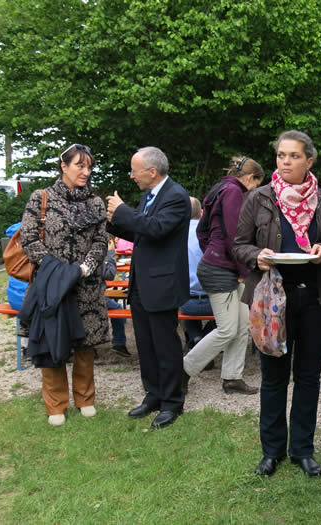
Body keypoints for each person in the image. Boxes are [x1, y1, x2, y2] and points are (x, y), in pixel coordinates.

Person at [233, 131, 321, 478]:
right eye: (281, 155)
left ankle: (302, 450)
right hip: (271, 300)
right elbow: (239, 245)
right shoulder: (259, 198)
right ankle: (272, 451)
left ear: (309, 161)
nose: (285, 162)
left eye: (294, 156)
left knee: (308, 376)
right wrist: (256, 256)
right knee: (273, 377)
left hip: (315, 298)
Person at [20, 143, 108, 426]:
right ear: (64, 166)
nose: (86, 171)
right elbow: (28, 239)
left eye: (89, 166)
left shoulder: (95, 203)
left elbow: (101, 241)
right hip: (51, 285)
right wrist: (57, 270)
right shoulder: (41, 197)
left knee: (85, 345)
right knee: (51, 342)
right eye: (80, 165)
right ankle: (56, 404)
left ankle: (85, 399)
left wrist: (85, 268)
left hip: (86, 285)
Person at [106, 146, 191, 428]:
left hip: (162, 285)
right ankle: (153, 394)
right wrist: (112, 222)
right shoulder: (149, 195)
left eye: (135, 171)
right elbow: (141, 232)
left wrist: (123, 210)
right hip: (141, 284)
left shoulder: (176, 196)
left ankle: (172, 402)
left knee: (165, 346)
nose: (132, 176)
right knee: (145, 344)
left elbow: (156, 228)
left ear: (152, 172)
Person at [181, 157, 265, 395]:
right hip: (222, 270)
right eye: (256, 185)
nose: (254, 191)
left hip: (223, 265)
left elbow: (202, 230)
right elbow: (233, 236)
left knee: (241, 325)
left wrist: (211, 250)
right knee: (227, 329)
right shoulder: (233, 192)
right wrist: (242, 270)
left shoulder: (218, 189)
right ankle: (182, 370)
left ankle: (232, 378)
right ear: (250, 178)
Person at [179, 196, 215, 348]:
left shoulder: (175, 236)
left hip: (186, 302)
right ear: (201, 213)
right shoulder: (212, 234)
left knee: (180, 296)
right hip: (214, 301)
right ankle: (206, 339)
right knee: (233, 309)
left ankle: (196, 338)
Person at [101, 236, 129, 356]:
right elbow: (109, 274)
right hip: (95, 297)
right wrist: (111, 253)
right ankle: (119, 344)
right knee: (118, 308)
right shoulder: (94, 254)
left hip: (77, 296)